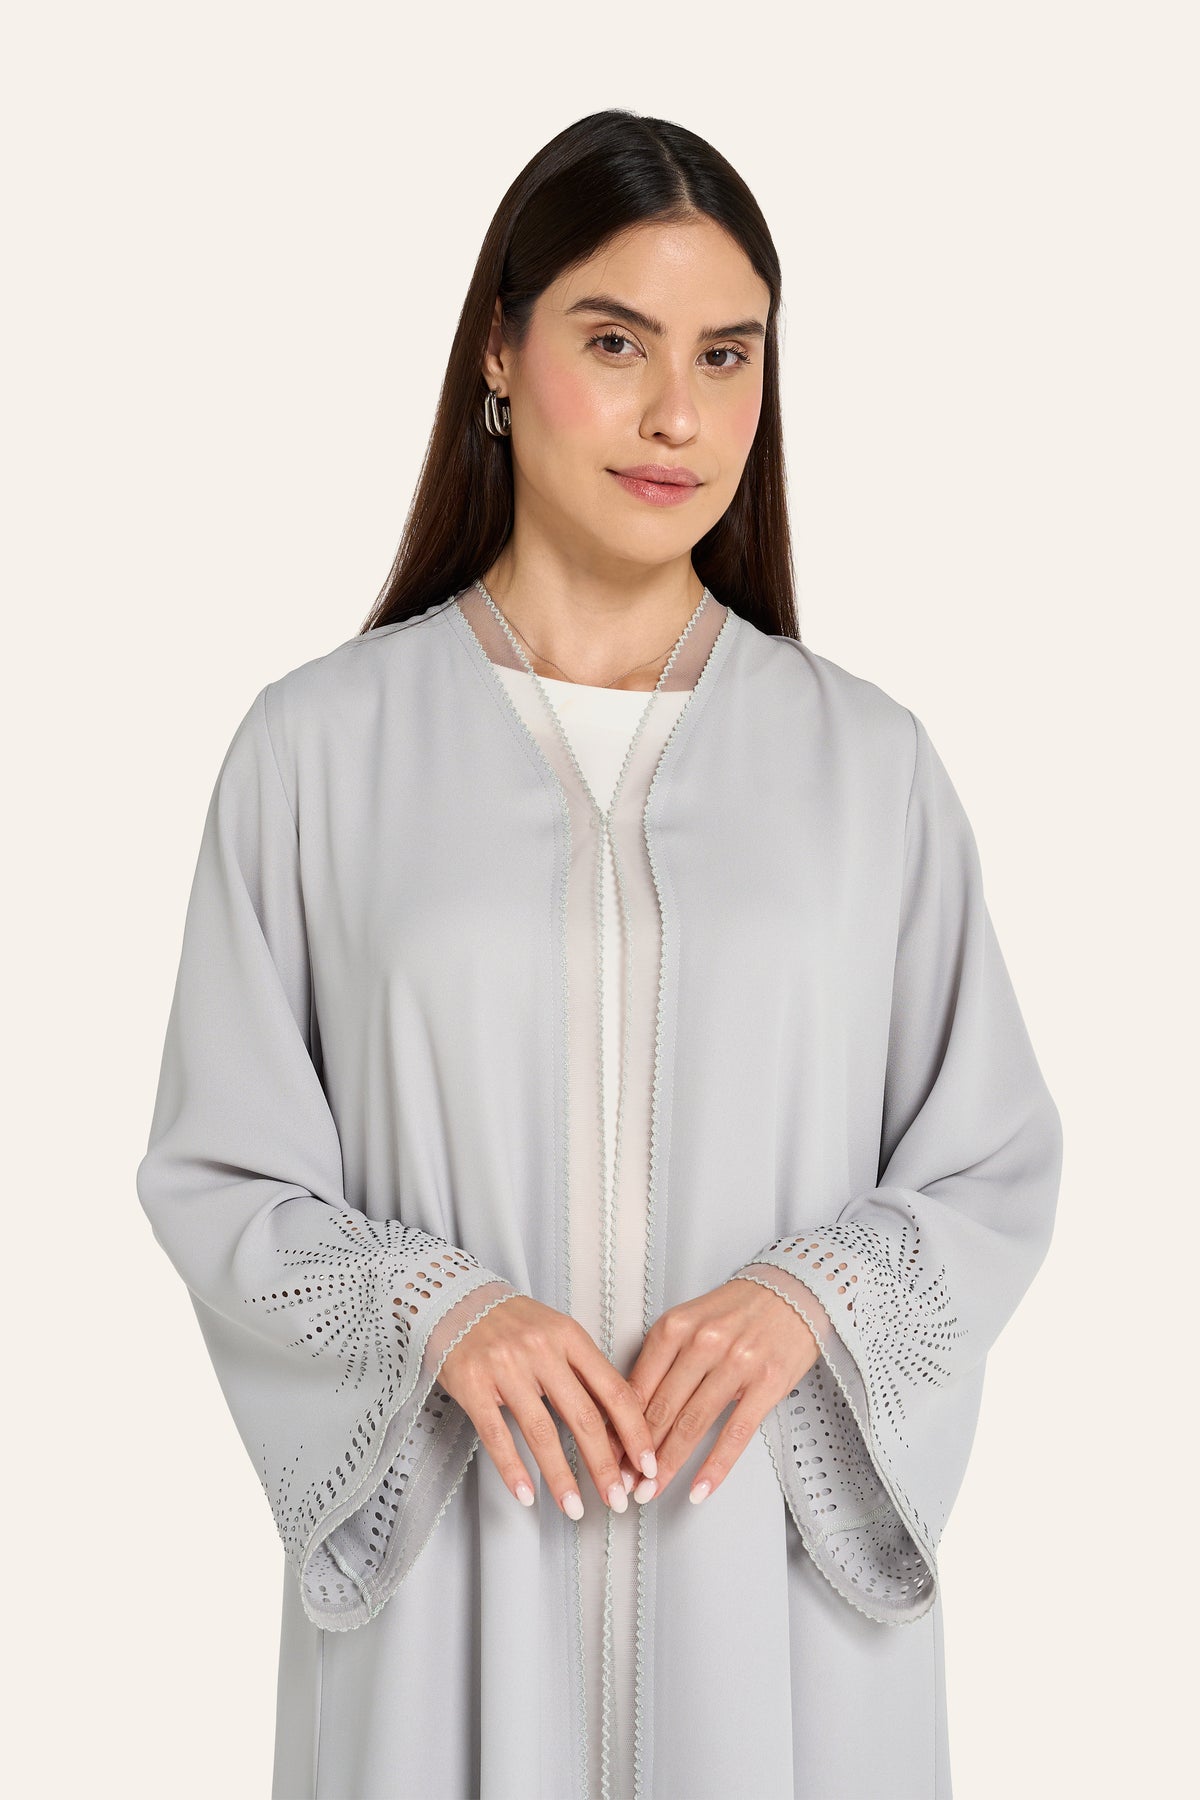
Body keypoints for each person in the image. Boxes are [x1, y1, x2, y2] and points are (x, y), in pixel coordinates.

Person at [136, 108, 1063, 1800]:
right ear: (500, 351)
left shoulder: (867, 768)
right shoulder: (318, 752)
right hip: (452, 1619)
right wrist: (436, 1310)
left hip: (776, 1626)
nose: (678, 416)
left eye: (727, 354)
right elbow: (222, 1174)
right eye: (616, 342)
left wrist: (813, 1299)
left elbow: (991, 1166)